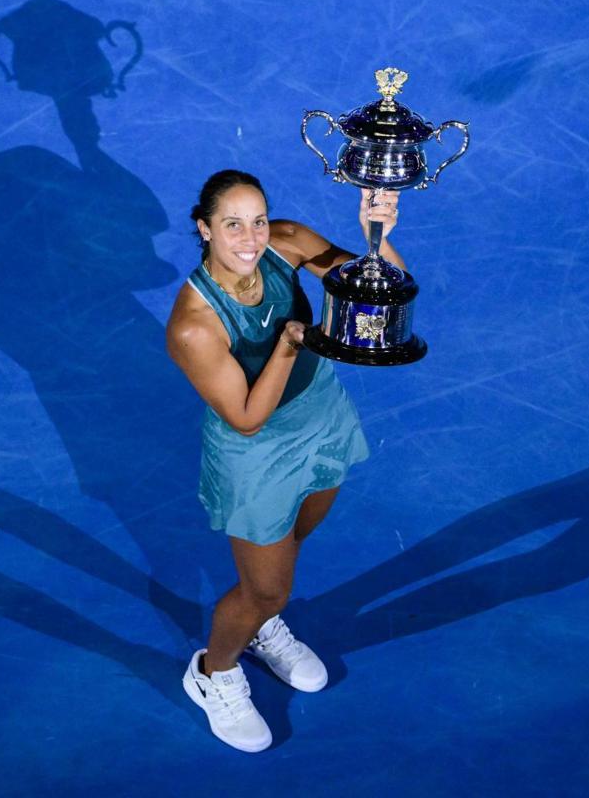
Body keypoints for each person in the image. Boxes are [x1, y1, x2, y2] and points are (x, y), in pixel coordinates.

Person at [166, 169, 404, 752]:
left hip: (321, 419)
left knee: (296, 539)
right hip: (258, 455)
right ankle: (215, 670)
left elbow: (380, 293)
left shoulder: (288, 241)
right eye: (231, 225)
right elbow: (246, 416)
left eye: (258, 221)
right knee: (266, 590)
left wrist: (378, 233)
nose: (250, 238)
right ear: (204, 229)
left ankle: (260, 629)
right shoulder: (193, 326)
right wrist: (292, 341)